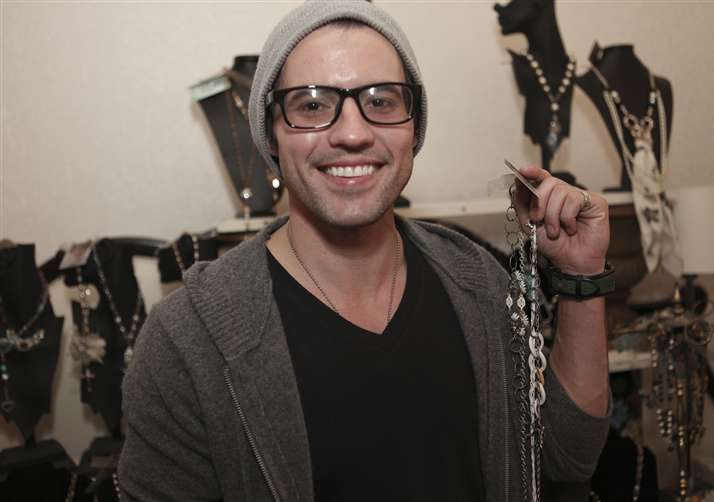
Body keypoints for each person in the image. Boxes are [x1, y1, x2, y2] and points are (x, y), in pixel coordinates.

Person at [118, 1, 612, 500]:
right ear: (271, 134)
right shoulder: (188, 343)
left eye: (381, 101)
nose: (353, 134)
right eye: (312, 105)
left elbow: (568, 458)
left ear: (414, 129)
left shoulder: (479, 285)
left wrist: (582, 275)